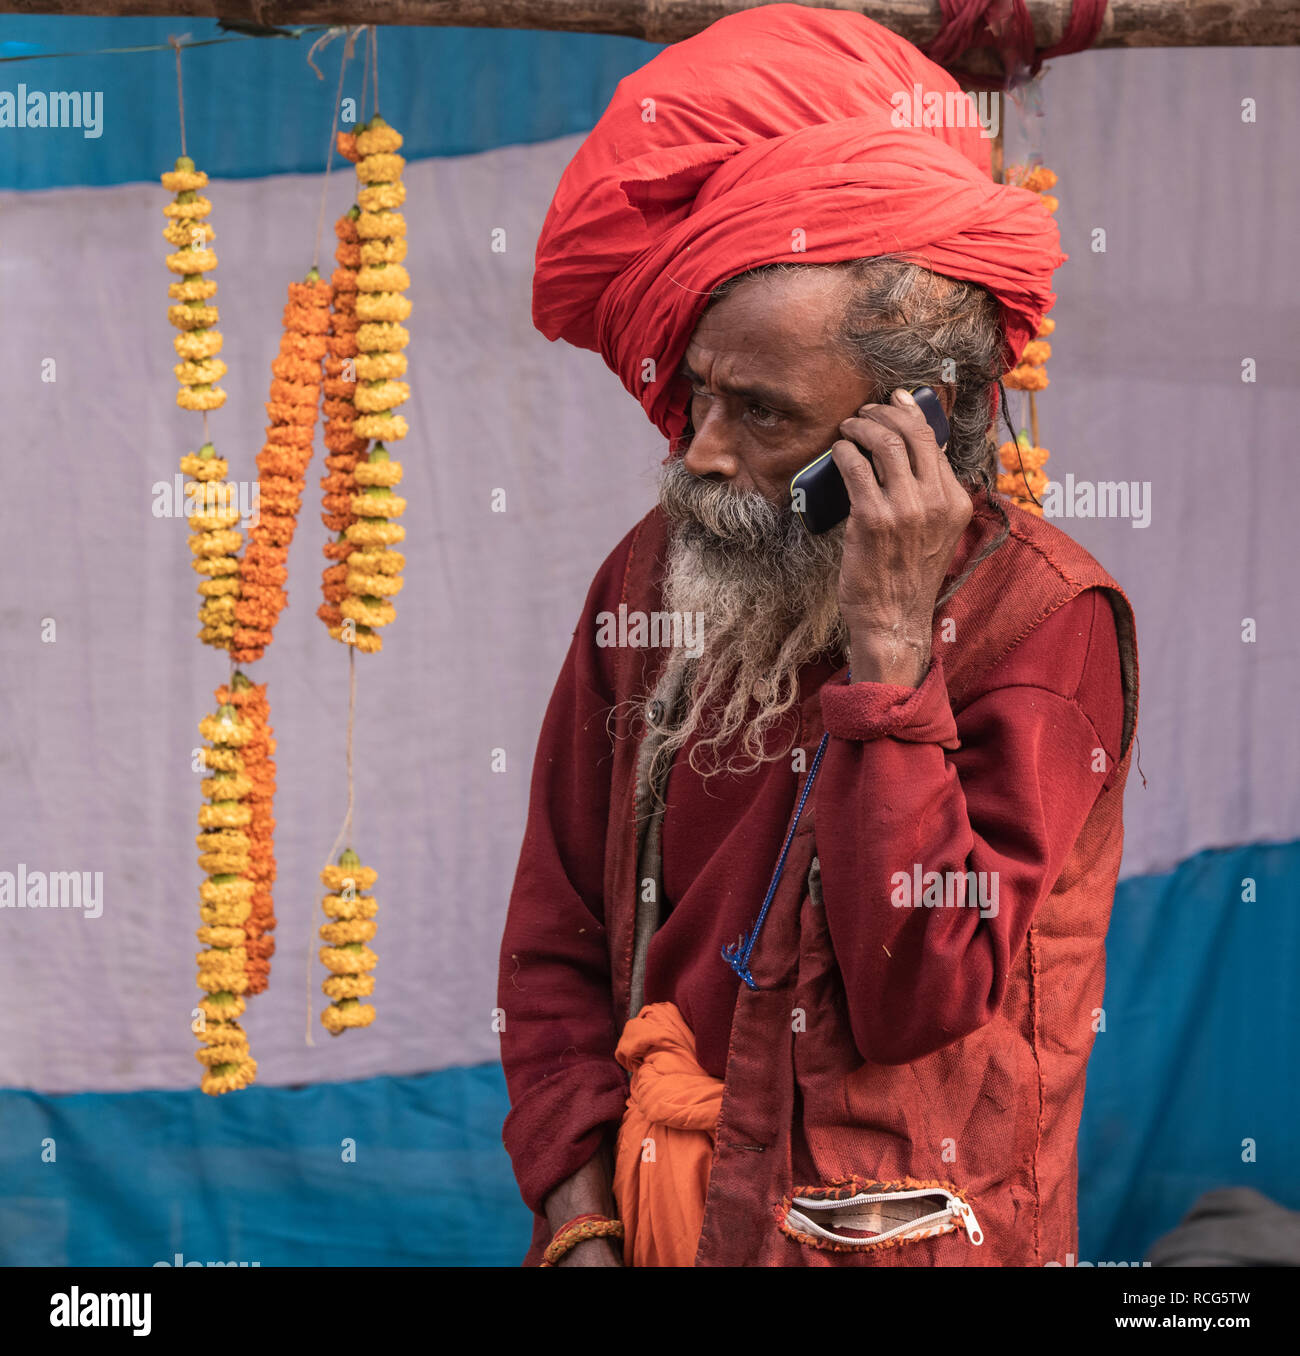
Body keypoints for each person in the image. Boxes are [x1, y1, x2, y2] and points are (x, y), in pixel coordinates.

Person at [497, 3, 1138, 1267]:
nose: (702, 449)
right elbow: (553, 933)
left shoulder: (1044, 624)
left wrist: (890, 657)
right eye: (696, 390)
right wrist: (575, 1217)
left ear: (909, 426)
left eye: (760, 411)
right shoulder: (656, 569)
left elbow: (917, 994)